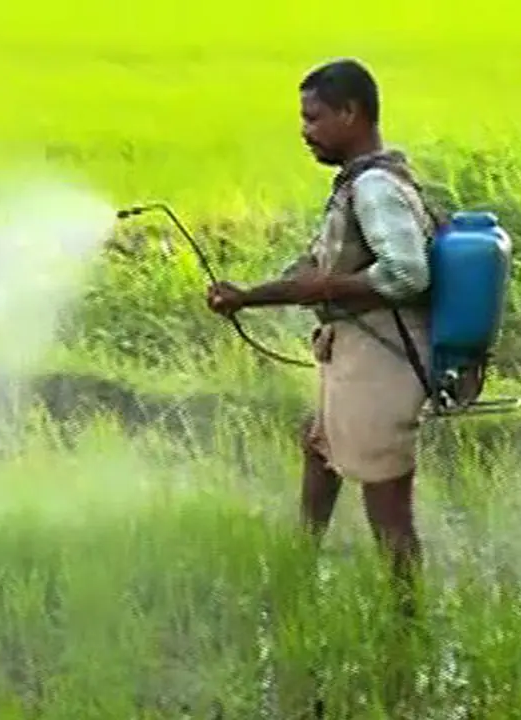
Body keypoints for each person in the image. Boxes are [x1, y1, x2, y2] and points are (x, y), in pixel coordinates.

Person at [205, 58, 440, 617]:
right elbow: (313, 266)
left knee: (388, 507)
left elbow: (407, 273)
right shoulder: (360, 184)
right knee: (319, 445)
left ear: (351, 113)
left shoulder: (376, 189)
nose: (305, 131)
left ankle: (406, 627)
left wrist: (327, 287)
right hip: (357, 354)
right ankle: (301, 563)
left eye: (313, 118)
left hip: (384, 364)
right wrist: (249, 294)